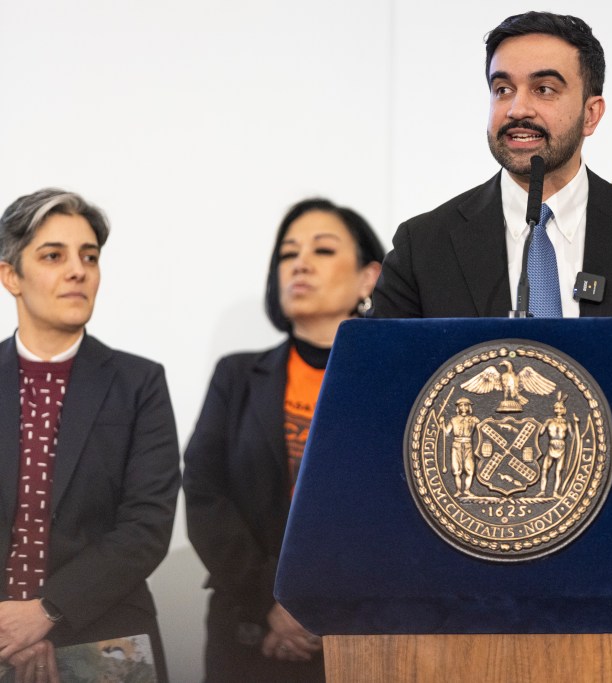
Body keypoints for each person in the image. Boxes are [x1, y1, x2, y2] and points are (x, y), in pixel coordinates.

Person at [369, 11, 612, 508]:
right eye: (502, 89)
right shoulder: (426, 245)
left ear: (592, 114)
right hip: (468, 546)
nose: (517, 109)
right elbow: (377, 404)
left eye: (544, 90)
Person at [183, 198, 384, 683]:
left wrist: (329, 609)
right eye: (288, 252)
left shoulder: (391, 381)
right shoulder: (237, 376)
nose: (300, 263)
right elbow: (205, 495)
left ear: (368, 278)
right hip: (249, 633)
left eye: (323, 249)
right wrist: (271, 605)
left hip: (365, 635)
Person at [0, 188, 180, 682]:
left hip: (106, 642)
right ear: (10, 275)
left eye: (90, 257)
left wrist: (44, 613)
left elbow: (146, 525)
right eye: (53, 255)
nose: (78, 270)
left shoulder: (139, 382)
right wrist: (9, 627)